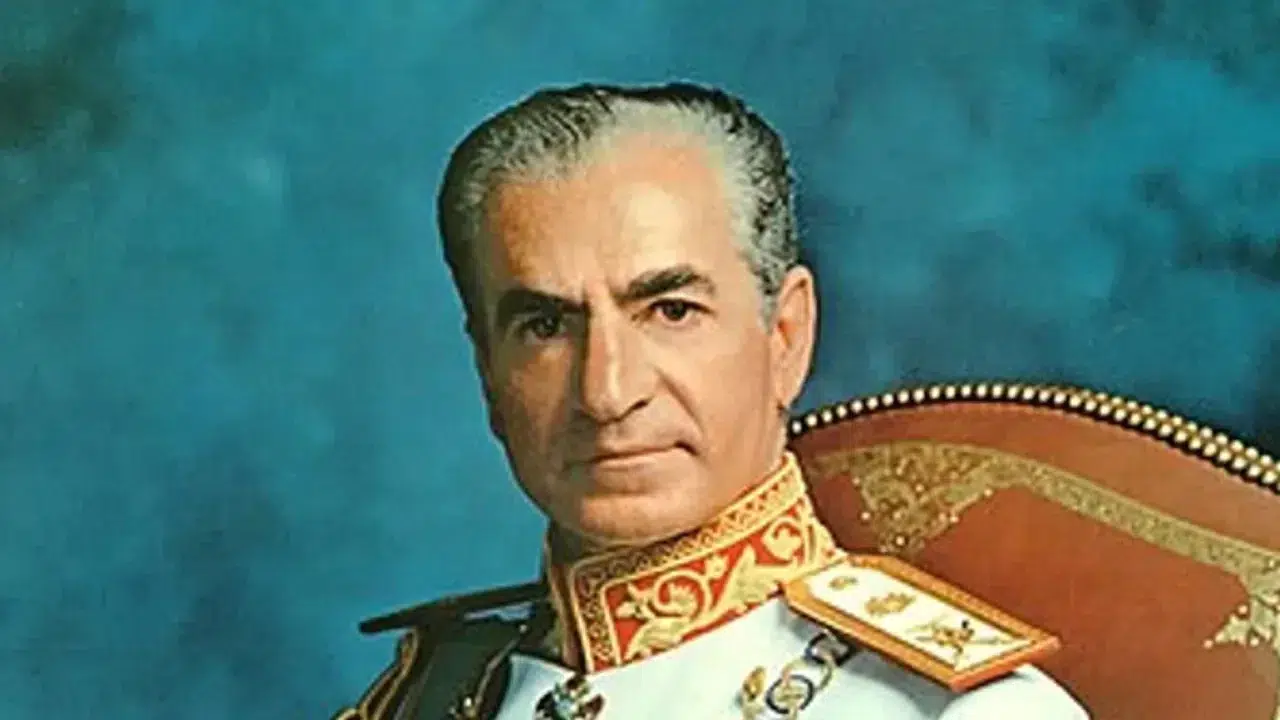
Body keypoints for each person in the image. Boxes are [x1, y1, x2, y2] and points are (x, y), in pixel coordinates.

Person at [332, 82, 1089, 720]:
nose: (607, 392)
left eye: (670, 311)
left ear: (785, 337)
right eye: (546, 326)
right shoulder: (430, 697)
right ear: (488, 375)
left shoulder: (960, 712)